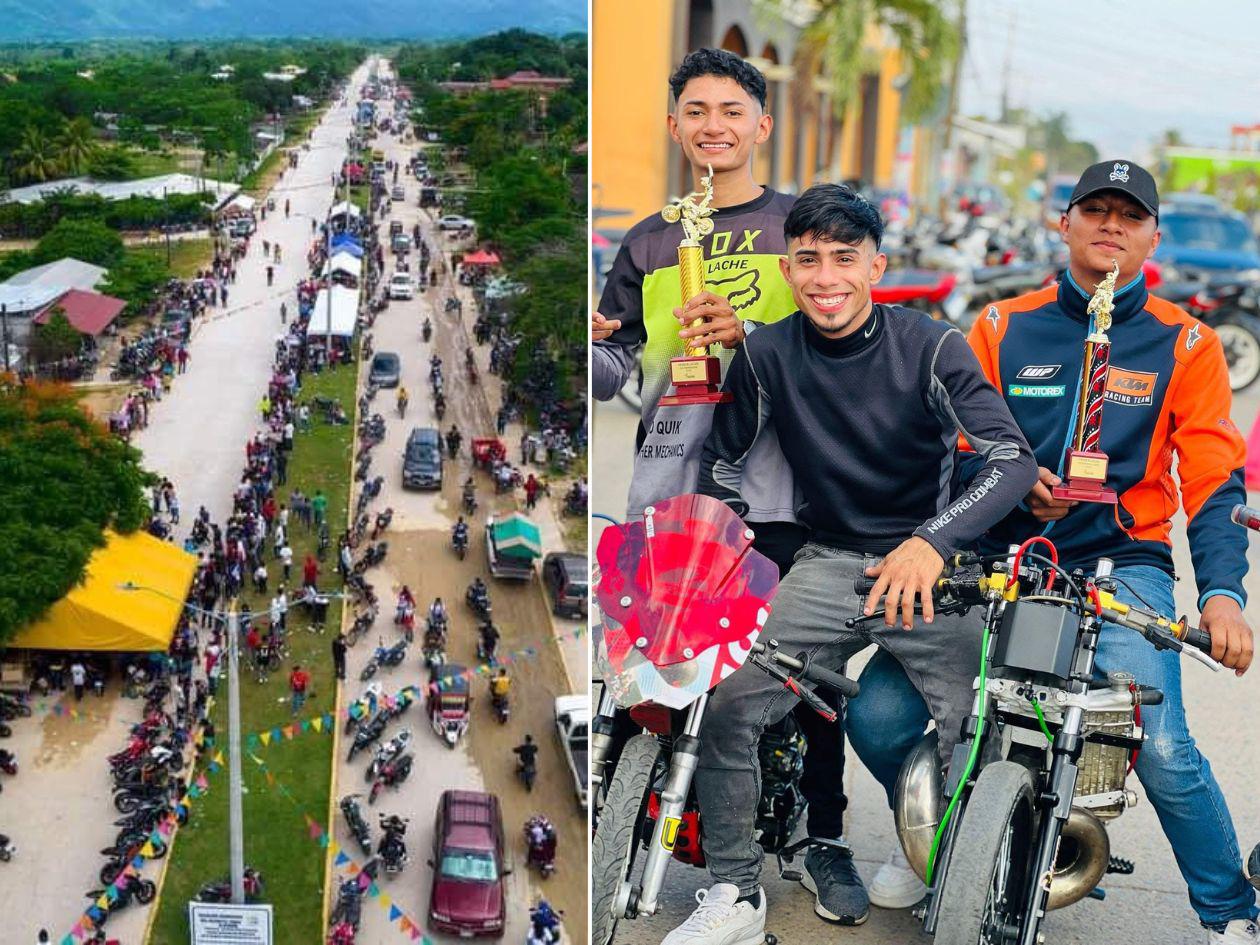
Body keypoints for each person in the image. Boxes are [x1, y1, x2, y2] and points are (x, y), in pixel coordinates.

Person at [845, 160, 1260, 943]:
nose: (1111, 226)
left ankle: (1230, 911)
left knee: (1163, 746)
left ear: (1153, 237)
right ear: (1063, 223)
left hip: (1121, 563)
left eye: (1129, 216)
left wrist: (1222, 597)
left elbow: (1213, 481)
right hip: (1001, 556)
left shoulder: (1189, 342)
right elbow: (953, 446)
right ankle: (932, 830)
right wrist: (1008, 484)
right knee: (875, 710)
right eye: (1095, 210)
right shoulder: (1002, 326)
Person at [678, 183, 1037, 945]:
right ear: (788, 268)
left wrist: (932, 542)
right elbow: (721, 463)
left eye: (845, 258)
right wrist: (727, 545)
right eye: (808, 259)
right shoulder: (766, 353)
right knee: (730, 700)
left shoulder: (931, 345)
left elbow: (1011, 458)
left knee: (973, 722)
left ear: (876, 265)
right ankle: (736, 891)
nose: (826, 276)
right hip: (829, 561)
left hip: (932, 568)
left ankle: (954, 869)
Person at [592, 48, 867, 925]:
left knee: (797, 673)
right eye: (697, 111)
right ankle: (630, 819)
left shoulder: (801, 229)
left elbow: (837, 347)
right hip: (669, 492)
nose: (714, 126)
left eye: (732, 110)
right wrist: (580, 344)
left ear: (763, 125)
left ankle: (824, 836)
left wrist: (747, 331)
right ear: (674, 128)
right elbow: (615, 366)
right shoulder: (648, 239)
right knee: (647, 672)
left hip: (783, 494)